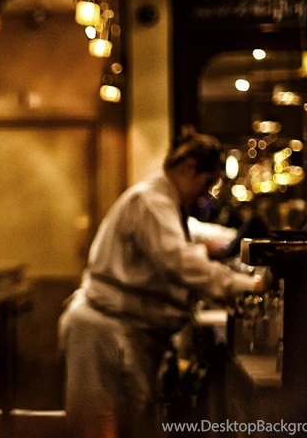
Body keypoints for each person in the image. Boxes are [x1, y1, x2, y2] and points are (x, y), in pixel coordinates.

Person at [59, 130, 264, 438]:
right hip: (106, 332)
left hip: (122, 329)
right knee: (102, 428)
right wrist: (246, 285)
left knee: (127, 425)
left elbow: (192, 231)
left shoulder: (163, 201)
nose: (205, 195)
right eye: (207, 182)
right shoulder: (151, 201)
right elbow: (180, 262)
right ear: (189, 168)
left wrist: (238, 240)